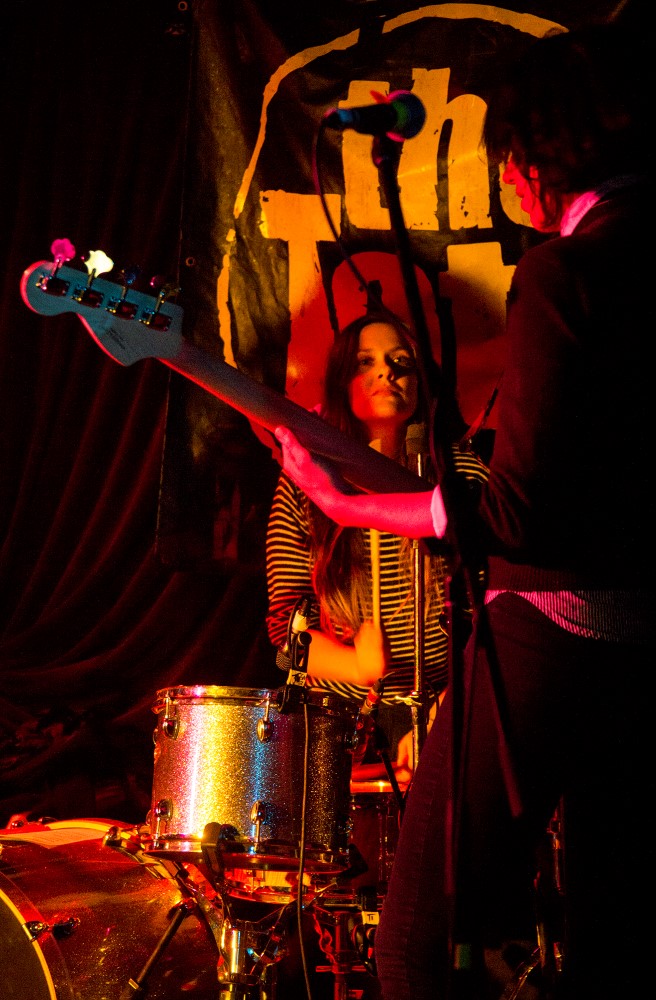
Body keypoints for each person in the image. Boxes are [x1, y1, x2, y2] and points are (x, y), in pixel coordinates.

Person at [274, 20, 655, 1000]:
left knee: (420, 947)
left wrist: (348, 503)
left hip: (555, 630)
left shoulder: (567, 273)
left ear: (530, 160)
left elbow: (517, 513)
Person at [266, 311, 488, 787]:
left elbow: (499, 610)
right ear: (340, 382)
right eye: (365, 362)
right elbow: (285, 626)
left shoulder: (463, 474)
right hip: (335, 717)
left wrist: (447, 708)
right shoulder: (306, 479)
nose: (386, 371)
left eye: (401, 361)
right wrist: (355, 665)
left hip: (447, 708)